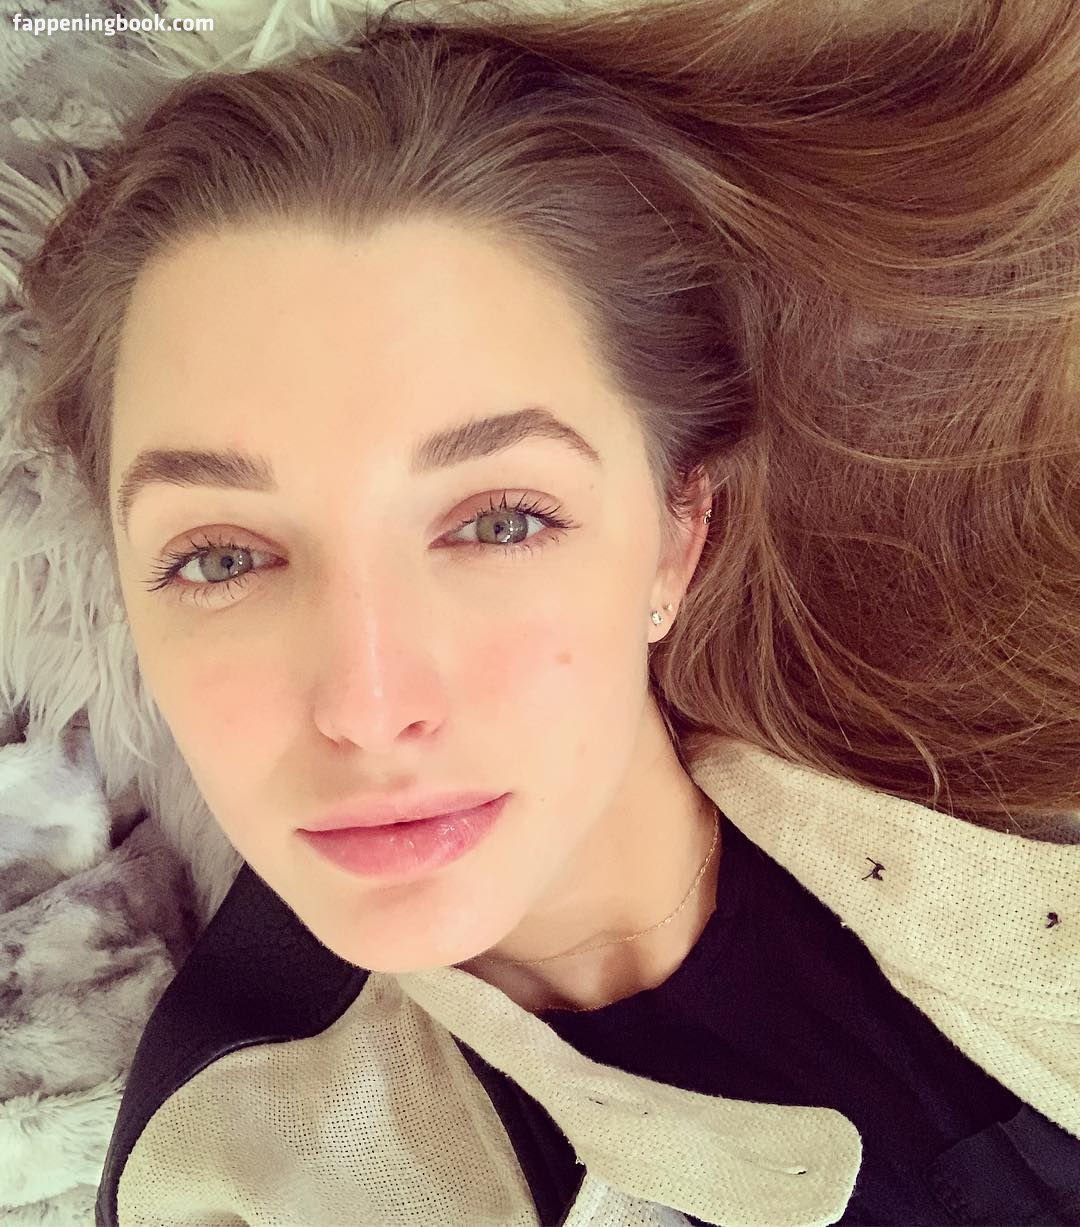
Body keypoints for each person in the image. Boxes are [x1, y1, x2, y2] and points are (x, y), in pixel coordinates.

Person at [15, 1, 1080, 1223]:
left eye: (500, 523)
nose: (369, 707)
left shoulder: (1003, 769)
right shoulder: (226, 1179)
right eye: (220, 557)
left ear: (678, 531)